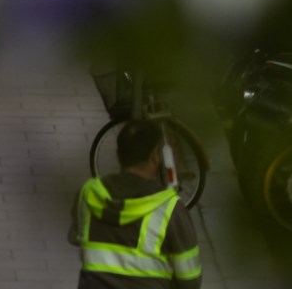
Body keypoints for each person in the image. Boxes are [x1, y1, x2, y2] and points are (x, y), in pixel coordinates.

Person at [72, 118, 202, 283]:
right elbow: (190, 278)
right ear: (155, 157)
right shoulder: (170, 208)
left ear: (118, 155)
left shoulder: (88, 194)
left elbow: (76, 237)